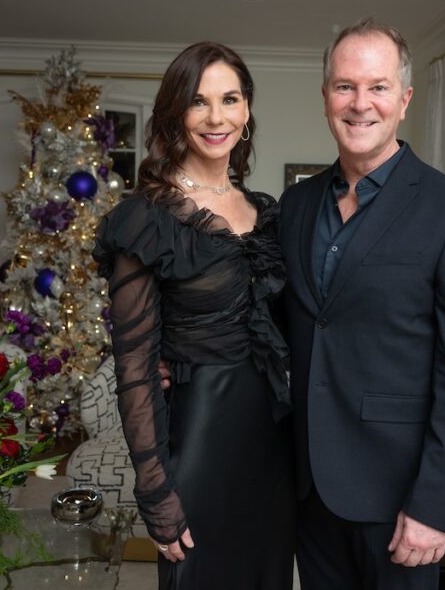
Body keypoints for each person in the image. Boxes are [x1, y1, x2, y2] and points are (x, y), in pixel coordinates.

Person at [278, 19, 445, 590]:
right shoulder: (297, 204)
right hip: (308, 486)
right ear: (326, 97)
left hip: (399, 496)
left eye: (377, 87)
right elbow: (280, 325)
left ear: (403, 100)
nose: (360, 104)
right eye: (344, 86)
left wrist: (434, 504)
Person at [93, 41, 295, 589]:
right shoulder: (146, 220)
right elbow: (133, 366)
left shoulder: (269, 213)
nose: (216, 117)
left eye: (230, 99)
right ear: (176, 112)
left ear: (247, 108)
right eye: (199, 101)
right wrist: (155, 489)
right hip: (200, 439)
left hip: (275, 446)